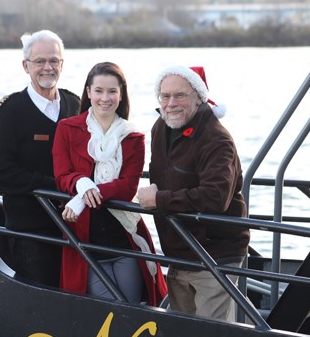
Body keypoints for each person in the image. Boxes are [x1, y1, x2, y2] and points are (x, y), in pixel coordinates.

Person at [137, 65, 250, 322]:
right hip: (179, 251)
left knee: (212, 336)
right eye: (165, 96)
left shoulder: (216, 140)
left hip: (215, 253)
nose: (171, 103)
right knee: (183, 333)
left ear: (199, 97)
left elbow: (214, 198)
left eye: (180, 95)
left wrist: (159, 200)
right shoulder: (160, 128)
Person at [52, 62, 167, 306]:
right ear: (88, 92)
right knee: (107, 307)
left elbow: (127, 188)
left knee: (134, 309)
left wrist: (85, 195)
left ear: (121, 95)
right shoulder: (67, 129)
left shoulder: (133, 137)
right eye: (99, 91)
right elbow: (62, 175)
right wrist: (80, 182)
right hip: (84, 241)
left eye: (112, 91)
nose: (105, 98)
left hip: (123, 239)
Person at [0, 30, 80, 287]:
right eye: (39, 62)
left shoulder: (75, 104)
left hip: (76, 225)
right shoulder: (10, 111)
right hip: (31, 229)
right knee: (41, 295)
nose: (47, 67)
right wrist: (54, 186)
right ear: (26, 66)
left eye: (54, 61)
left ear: (63, 64)